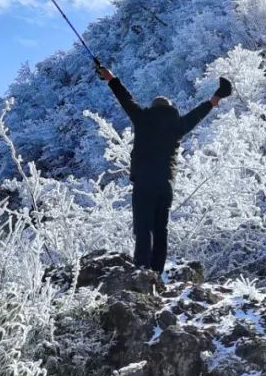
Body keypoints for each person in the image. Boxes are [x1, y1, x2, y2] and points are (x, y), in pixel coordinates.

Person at [95, 65, 233, 275]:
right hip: (165, 185)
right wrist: (216, 96)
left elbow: (126, 99)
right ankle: (156, 274)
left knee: (143, 229)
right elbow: (201, 111)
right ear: (170, 109)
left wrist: (111, 78)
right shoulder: (178, 125)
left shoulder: (142, 118)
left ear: (153, 108)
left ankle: (141, 272)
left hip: (144, 183)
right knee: (161, 231)